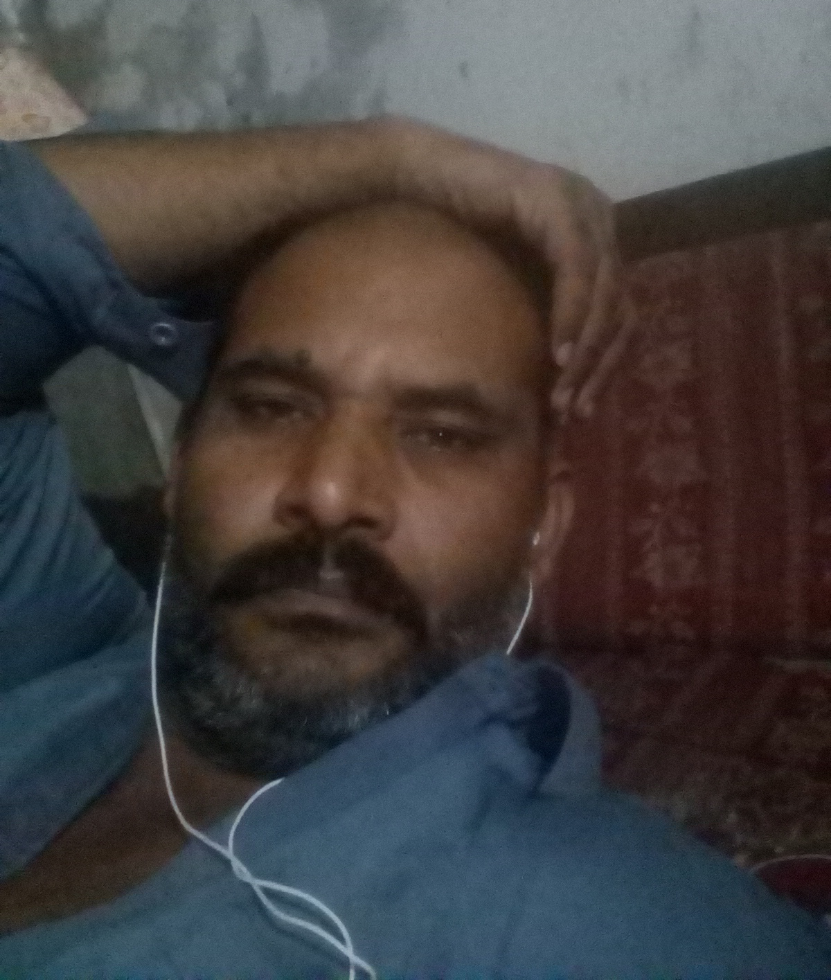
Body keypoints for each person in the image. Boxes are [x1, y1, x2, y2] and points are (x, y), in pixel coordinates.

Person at [0, 121, 828, 980]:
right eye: (273, 407)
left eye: (440, 434)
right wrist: (387, 154)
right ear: (180, 466)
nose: (330, 492)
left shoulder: (587, 917)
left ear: (544, 529)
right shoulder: (53, 637)